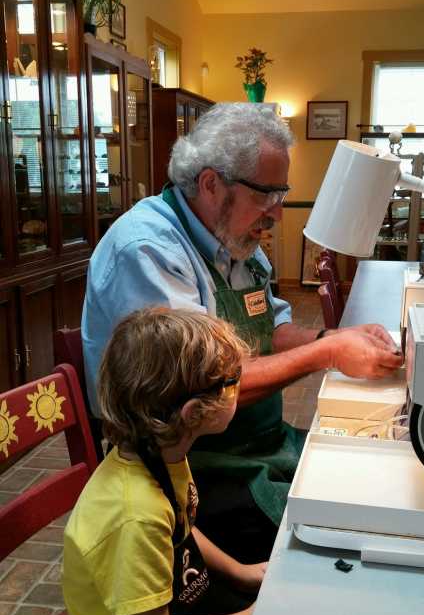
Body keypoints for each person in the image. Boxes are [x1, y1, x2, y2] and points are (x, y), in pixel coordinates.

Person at [82, 103, 402, 562]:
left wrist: (333, 340)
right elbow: (200, 391)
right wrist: (327, 353)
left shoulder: (236, 241)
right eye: (266, 195)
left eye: (282, 193)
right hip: (186, 464)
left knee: (357, 492)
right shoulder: (149, 250)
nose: (277, 213)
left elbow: (270, 329)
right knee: (330, 550)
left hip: (255, 443)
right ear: (211, 183)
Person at [63, 307, 265, 615]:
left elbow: (181, 525)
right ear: (193, 413)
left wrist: (241, 572)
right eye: (231, 382)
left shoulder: (161, 452)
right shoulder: (134, 514)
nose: (239, 386)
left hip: (178, 606)